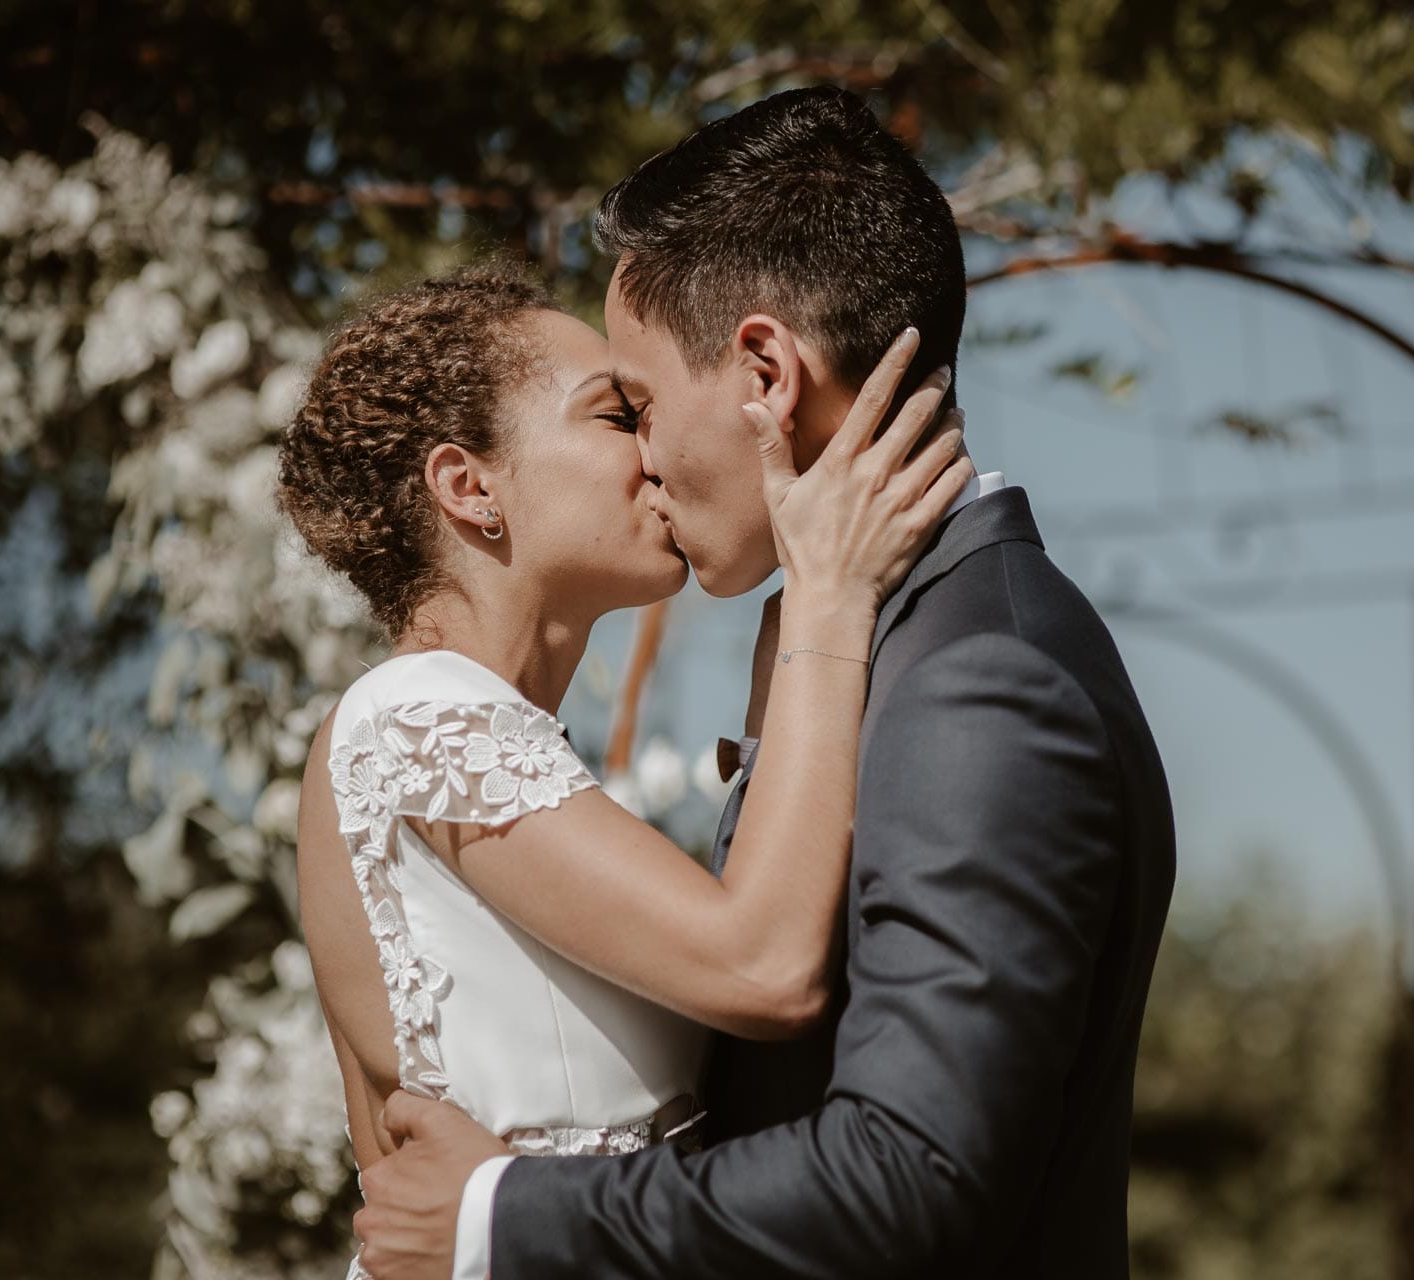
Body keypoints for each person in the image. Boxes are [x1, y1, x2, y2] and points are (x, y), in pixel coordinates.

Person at [353, 86, 1177, 1279]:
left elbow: (909, 1174)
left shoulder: (976, 679)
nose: (638, 455)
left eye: (637, 403)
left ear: (764, 375)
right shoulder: (888, 643)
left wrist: (503, 1213)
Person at [277, 260, 972, 1278]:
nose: (656, 450)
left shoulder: (442, 735)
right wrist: (829, 600)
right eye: (616, 413)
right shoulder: (416, 715)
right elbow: (764, 966)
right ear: (469, 486)